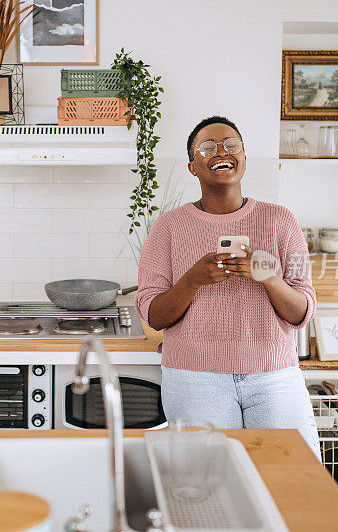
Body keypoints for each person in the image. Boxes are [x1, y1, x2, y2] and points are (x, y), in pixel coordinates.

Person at [135, 115, 320, 457]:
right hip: (193, 378)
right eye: (207, 147)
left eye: (231, 144)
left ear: (244, 158)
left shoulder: (282, 221)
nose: (222, 151)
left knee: (292, 478)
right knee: (208, 488)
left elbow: (302, 312)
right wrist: (193, 280)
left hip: (273, 375)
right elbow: (153, 314)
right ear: (193, 166)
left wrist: (267, 275)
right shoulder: (168, 228)